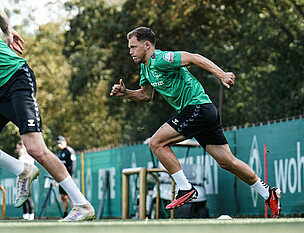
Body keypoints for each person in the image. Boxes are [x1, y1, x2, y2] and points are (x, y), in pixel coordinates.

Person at [110, 26, 282, 218]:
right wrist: (126, 93)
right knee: (227, 162)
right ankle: (268, 193)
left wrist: (221, 74)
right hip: (202, 112)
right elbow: (145, 95)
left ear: (147, 45)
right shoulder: (145, 68)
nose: (130, 52)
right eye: (130, 48)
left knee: (156, 142)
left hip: (198, 108)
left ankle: (185, 188)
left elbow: (194, 57)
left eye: (133, 47)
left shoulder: (161, 59)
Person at [0, 8, 94, 221]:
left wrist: (8, 29)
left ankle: (82, 204)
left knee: (35, 149)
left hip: (16, 79)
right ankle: (22, 170)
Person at [56, 135, 76, 218]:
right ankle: (65, 215)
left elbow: (72, 166)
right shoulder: (60, 153)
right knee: (63, 197)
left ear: (65, 142)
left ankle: (74, 215)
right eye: (58, 143)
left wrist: (69, 177)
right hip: (61, 178)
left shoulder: (69, 151)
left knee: (71, 197)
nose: (59, 145)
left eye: (60, 143)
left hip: (68, 178)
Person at [16, 141, 35, 220]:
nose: (18, 150)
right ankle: (25, 214)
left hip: (27, 178)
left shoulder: (28, 156)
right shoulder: (21, 157)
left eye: (19, 148)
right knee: (23, 197)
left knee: (28, 197)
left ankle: (31, 214)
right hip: (21, 179)